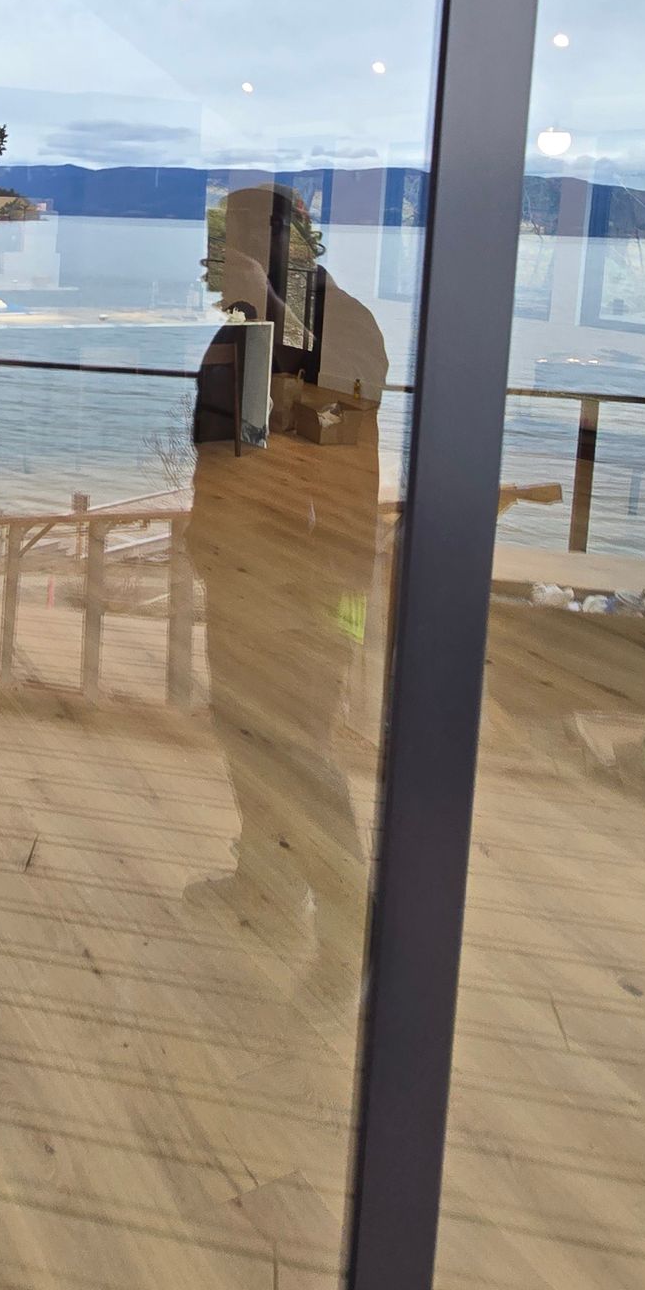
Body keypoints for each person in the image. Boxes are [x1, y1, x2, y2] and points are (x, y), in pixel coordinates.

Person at [184, 182, 387, 997]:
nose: (216, 256)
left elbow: (333, 450)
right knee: (244, 732)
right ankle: (266, 888)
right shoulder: (245, 329)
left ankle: (346, 939)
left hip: (309, 584)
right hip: (242, 575)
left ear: (287, 243)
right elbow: (231, 449)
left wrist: (269, 306)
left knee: (299, 749)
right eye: (217, 241)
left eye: (232, 239)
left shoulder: (340, 327)